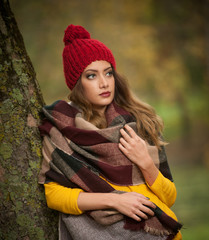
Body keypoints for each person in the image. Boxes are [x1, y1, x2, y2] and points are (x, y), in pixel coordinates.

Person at [38, 24, 182, 240]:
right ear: (77, 83)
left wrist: (145, 163)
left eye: (108, 73)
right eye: (91, 76)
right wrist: (115, 200)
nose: (104, 83)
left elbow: (169, 197)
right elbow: (54, 195)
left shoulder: (141, 122)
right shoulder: (61, 128)